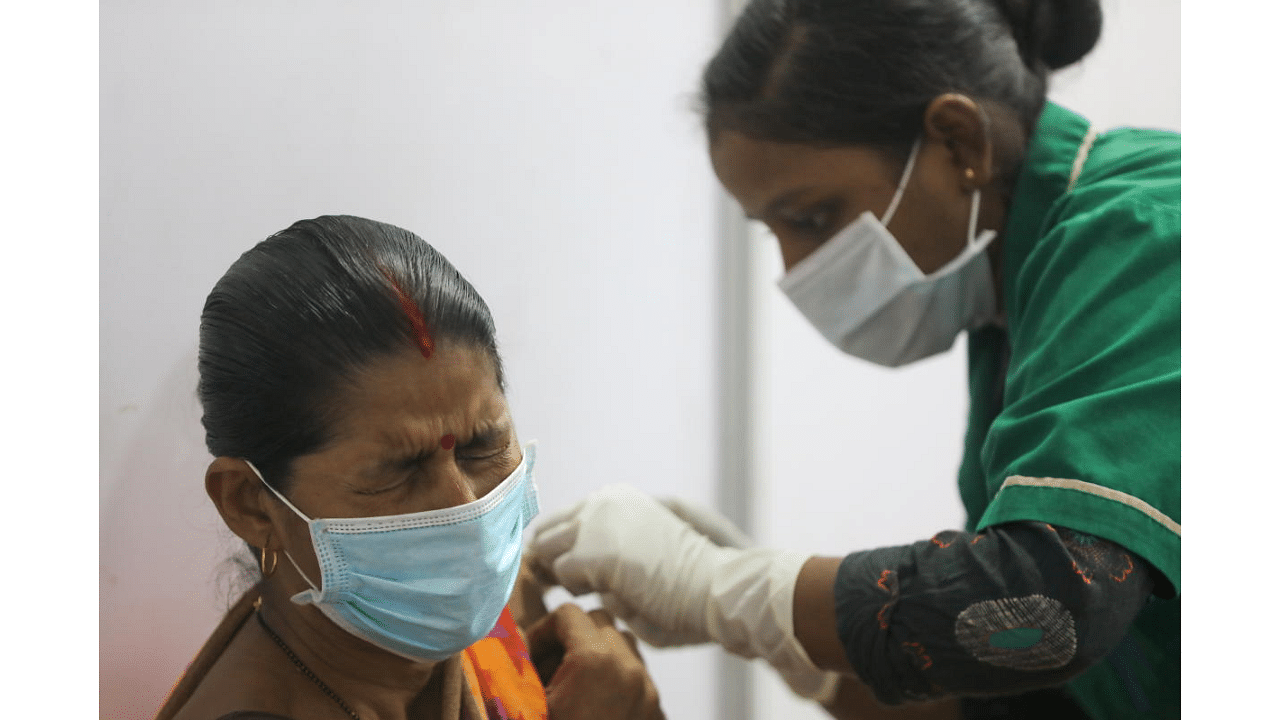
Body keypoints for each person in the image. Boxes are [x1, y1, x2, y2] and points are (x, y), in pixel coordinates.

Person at [529, 1, 1178, 718]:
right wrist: (782, 641)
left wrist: (728, 588)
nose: (795, 269)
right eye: (771, 231)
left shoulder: (1150, 233)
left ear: (958, 141)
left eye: (812, 218)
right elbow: (1028, 700)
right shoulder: (1013, 305)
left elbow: (1050, 608)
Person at [154, 215, 665, 720]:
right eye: (397, 470)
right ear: (251, 505)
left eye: (481, 445)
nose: (464, 510)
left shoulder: (477, 631)